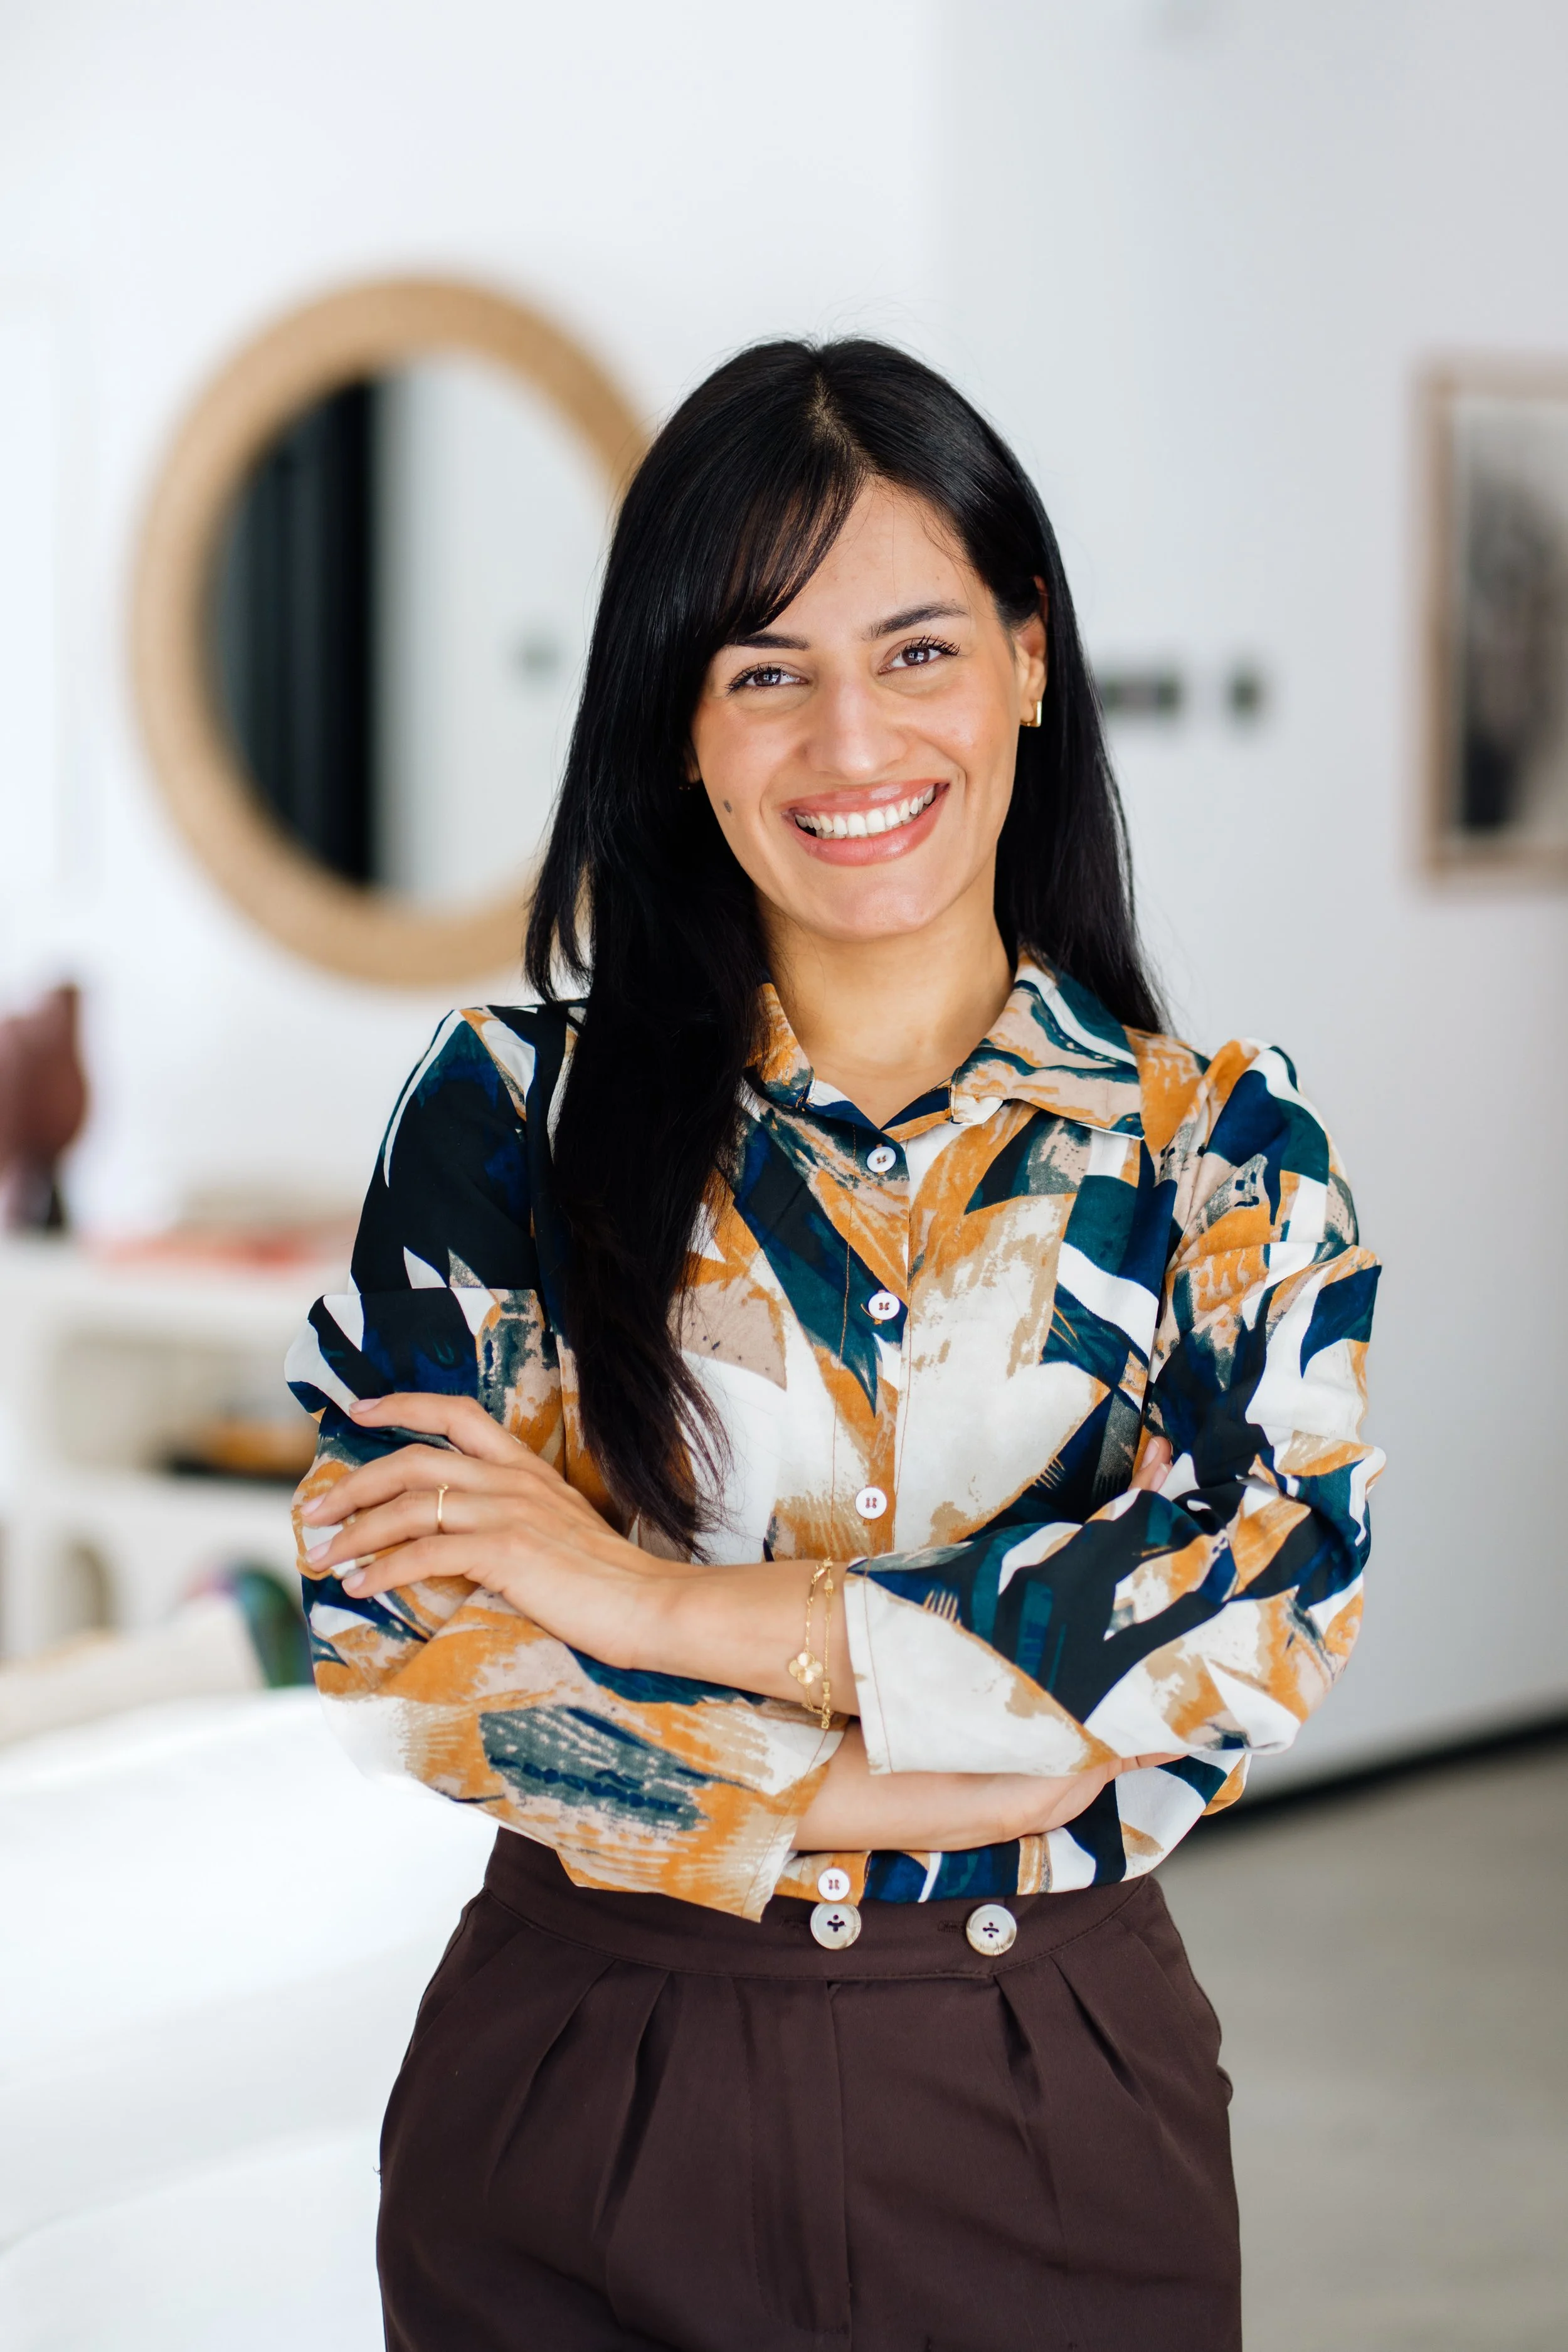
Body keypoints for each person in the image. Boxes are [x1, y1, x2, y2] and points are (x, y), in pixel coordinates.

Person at [290, 337, 1381, 2352]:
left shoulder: (1216, 1148)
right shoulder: (499, 1120)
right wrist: (936, 1768)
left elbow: (1246, 1618)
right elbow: (413, 1653)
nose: (847, 738)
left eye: (914, 650)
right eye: (763, 669)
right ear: (678, 724)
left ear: (1029, 662)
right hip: (577, 2094)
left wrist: (638, 1598)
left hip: (1050, 2098)